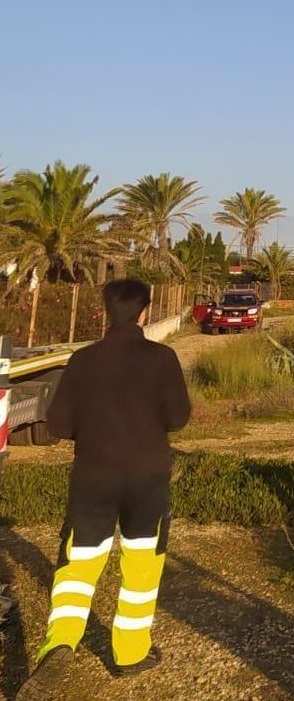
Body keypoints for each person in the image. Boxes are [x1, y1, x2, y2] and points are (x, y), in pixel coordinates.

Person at [18, 278, 191, 696]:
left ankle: (60, 643)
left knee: (79, 564)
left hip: (93, 478)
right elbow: (178, 417)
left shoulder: (81, 361)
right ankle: (130, 653)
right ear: (146, 312)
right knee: (141, 565)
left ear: (105, 312)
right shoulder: (163, 358)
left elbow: (57, 425)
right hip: (147, 479)